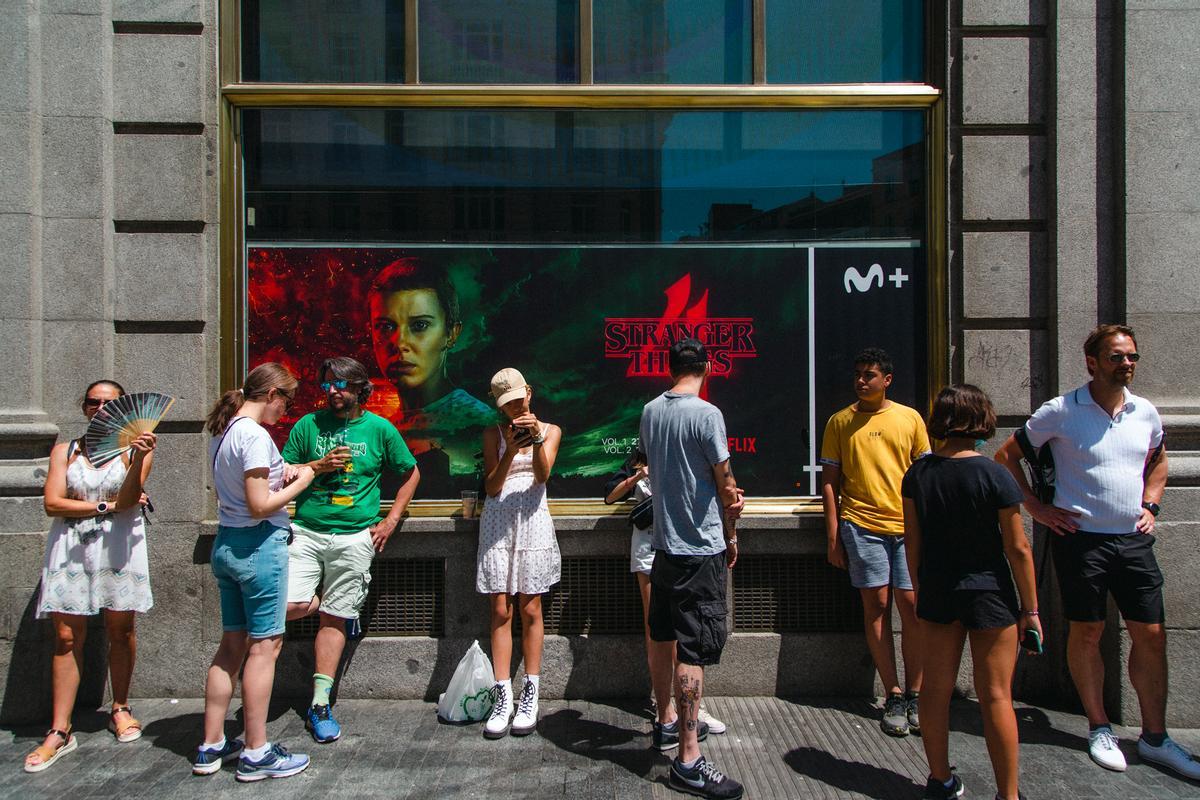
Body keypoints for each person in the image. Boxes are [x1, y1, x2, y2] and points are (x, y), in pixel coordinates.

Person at [994, 324, 1199, 780]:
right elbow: (1005, 457)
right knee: (1086, 633)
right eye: (1116, 357)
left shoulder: (1145, 412)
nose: (1127, 364)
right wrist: (1038, 509)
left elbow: (1159, 460)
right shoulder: (1062, 410)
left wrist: (1151, 505)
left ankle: (1155, 737)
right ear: (1092, 362)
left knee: (1151, 633)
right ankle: (1099, 726)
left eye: (1132, 357)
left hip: (1132, 540)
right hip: (1080, 541)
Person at [902, 385, 1041, 800]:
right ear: (982, 419)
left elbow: (913, 542)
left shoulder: (918, 474)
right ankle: (1008, 794)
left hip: (939, 590)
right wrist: (1031, 609)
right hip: (990, 591)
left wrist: (921, 586)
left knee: (935, 690)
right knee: (996, 695)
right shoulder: (994, 473)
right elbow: (1017, 548)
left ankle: (940, 779)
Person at [282, 356, 420, 743]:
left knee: (334, 620)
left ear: (361, 389)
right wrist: (318, 465)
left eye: (341, 385)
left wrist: (391, 520)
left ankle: (320, 703)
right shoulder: (308, 425)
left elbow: (410, 472)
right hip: (307, 530)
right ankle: (329, 602)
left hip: (355, 535)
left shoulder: (379, 429)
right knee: (287, 607)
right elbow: (284, 471)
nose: (333, 392)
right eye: (327, 385)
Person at [25, 380, 156, 772]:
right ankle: (59, 729)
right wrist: (105, 505)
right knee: (66, 636)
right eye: (93, 402)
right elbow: (52, 503)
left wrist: (134, 465)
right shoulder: (65, 450)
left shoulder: (137, 450)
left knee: (121, 629)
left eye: (109, 403)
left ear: (123, 410)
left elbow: (132, 498)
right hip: (71, 546)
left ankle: (120, 706)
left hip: (119, 544)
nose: (99, 409)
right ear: (84, 407)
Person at [196, 363, 315, 781]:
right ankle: (256, 752)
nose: (287, 411)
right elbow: (261, 504)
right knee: (264, 648)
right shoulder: (254, 434)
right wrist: (306, 480)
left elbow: (247, 484)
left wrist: (288, 471)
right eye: (288, 401)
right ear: (272, 395)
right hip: (259, 545)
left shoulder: (223, 431)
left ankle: (211, 745)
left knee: (231, 645)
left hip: (227, 544)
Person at [639, 338, 744, 800]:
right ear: (707, 367)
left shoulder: (650, 411)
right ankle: (688, 757)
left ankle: (665, 723)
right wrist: (733, 528)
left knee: (663, 636)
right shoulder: (707, 414)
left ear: (669, 368)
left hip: (664, 548)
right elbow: (725, 482)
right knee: (693, 653)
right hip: (700, 549)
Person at [820, 347, 930, 737]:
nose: (862, 381)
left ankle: (917, 694)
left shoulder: (909, 419)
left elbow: (924, 475)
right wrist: (833, 535)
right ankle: (894, 693)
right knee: (877, 605)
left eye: (870, 375)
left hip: (908, 529)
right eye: (858, 374)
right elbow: (830, 484)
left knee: (913, 606)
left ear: (887, 380)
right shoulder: (839, 422)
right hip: (861, 526)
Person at [603, 450, 726, 745]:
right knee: (656, 629)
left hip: (683, 547)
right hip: (648, 548)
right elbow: (609, 496)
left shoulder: (684, 457)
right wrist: (639, 476)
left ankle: (691, 707)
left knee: (688, 629)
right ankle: (665, 706)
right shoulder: (637, 459)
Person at [477, 368, 562, 739]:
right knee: (500, 608)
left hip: (532, 520)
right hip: (498, 523)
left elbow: (543, 476)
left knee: (531, 607)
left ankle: (531, 690)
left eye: (517, 399)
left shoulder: (552, 430)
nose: (513, 409)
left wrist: (538, 438)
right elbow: (492, 488)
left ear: (528, 392)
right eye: (505, 404)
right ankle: (502, 695)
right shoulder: (492, 434)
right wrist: (509, 449)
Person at [369, 257, 493, 497]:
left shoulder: (479, 423)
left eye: (419, 326)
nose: (400, 343)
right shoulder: (382, 428)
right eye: (385, 327)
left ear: (451, 333)